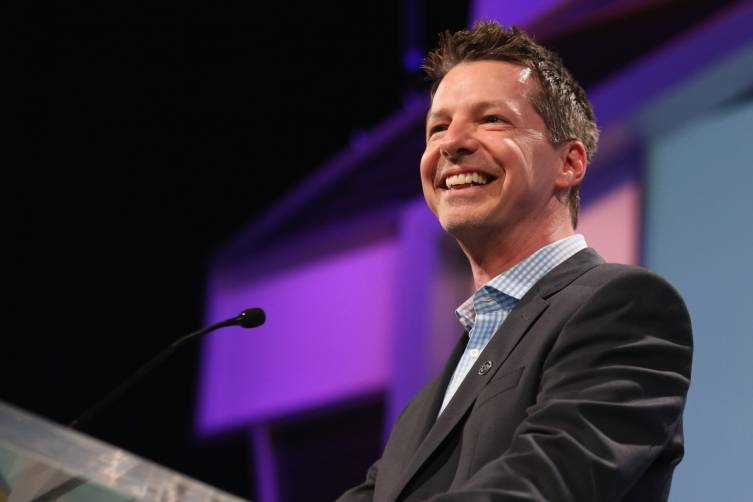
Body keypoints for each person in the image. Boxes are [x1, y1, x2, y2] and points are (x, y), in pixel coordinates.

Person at [338, 21, 692, 502]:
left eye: (491, 120)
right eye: (438, 127)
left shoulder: (624, 307)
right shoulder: (423, 410)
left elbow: (544, 485)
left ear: (569, 163)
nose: (451, 144)